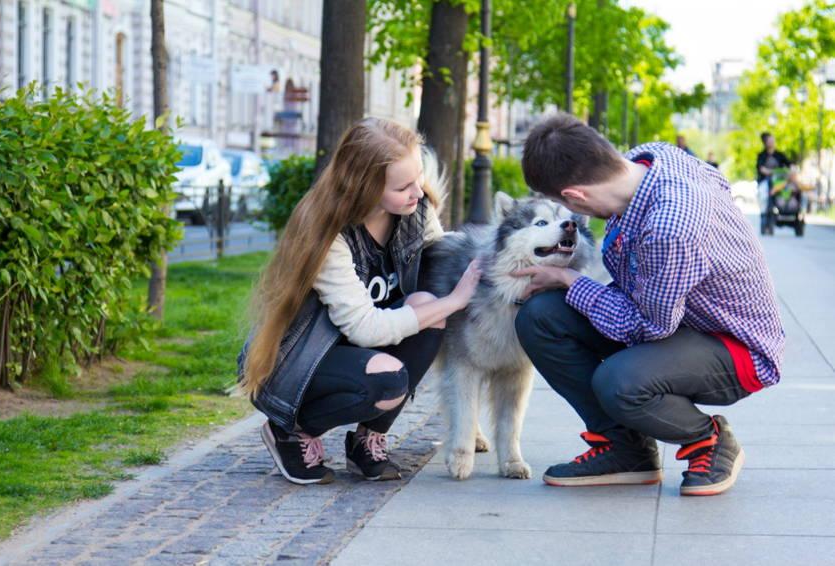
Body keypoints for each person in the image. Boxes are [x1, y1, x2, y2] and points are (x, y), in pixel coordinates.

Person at [513, 114, 785, 496]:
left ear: (575, 197)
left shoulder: (669, 227)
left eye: (565, 205)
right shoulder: (651, 158)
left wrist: (569, 279)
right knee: (540, 318)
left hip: (734, 345)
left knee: (620, 382)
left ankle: (710, 439)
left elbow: (648, 327)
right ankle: (627, 449)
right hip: (678, 318)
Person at [237, 118, 481, 485]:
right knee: (390, 379)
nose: (418, 192)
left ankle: (368, 440)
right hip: (303, 362)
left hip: (365, 350)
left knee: (426, 304)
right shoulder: (328, 235)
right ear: (365, 189)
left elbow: (441, 257)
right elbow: (365, 329)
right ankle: (291, 430)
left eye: (417, 178)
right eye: (403, 186)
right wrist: (455, 301)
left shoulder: (414, 213)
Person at [756, 132, 791, 233]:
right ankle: (764, 214)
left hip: (778, 181)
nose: (772, 142)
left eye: (773, 140)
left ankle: (784, 209)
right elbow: (761, 168)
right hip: (765, 181)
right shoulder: (761, 155)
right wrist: (772, 172)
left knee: (786, 192)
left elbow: (788, 165)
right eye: (770, 140)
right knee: (763, 195)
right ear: (765, 143)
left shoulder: (779, 155)